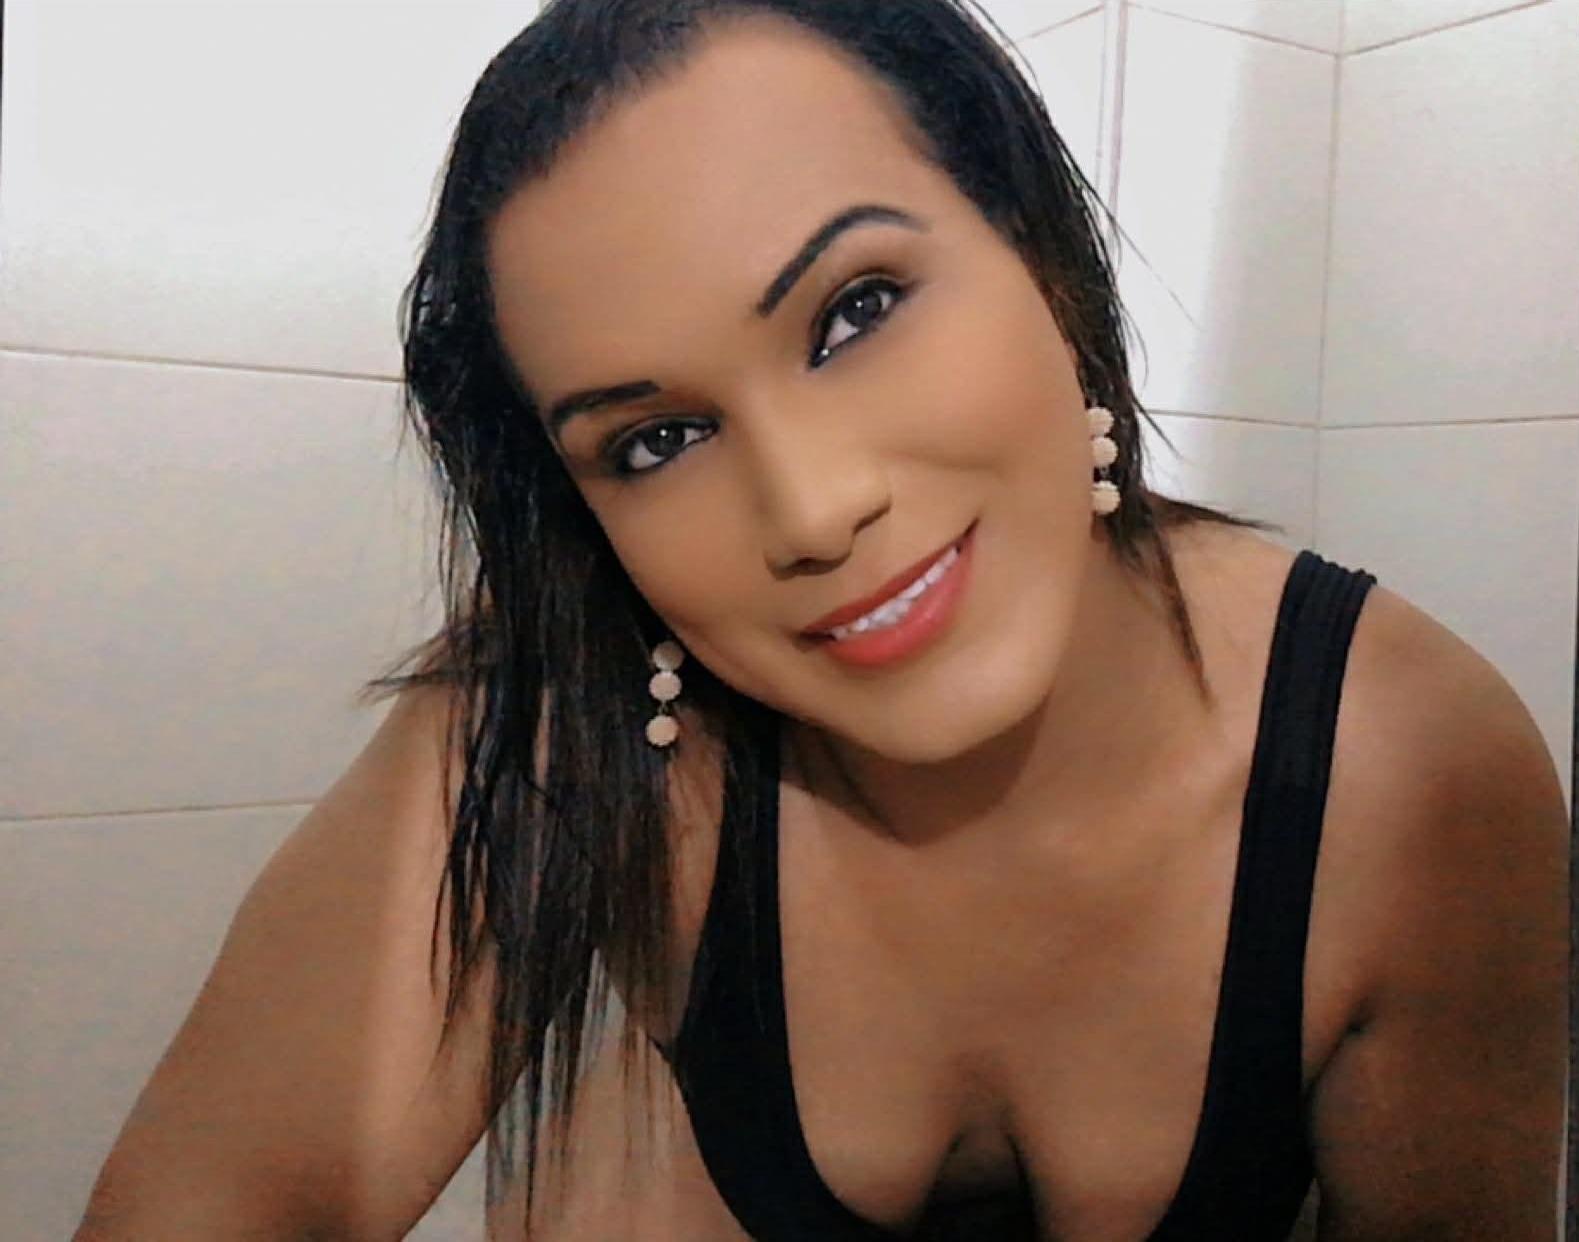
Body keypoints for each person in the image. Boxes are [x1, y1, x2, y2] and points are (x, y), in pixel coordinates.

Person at [75, 2, 1568, 1239]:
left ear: (1041, 257)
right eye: (655, 440)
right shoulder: (571, 730)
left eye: (855, 310)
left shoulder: (1404, 767)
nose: (808, 509)